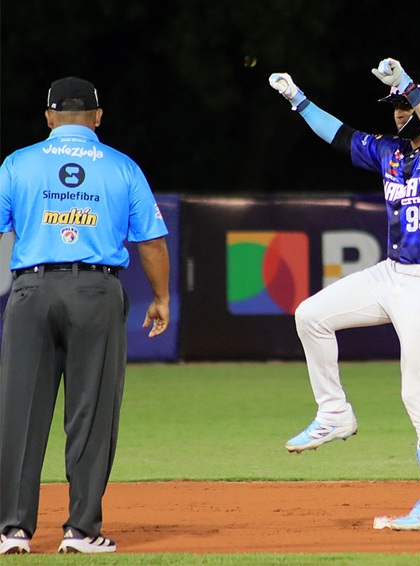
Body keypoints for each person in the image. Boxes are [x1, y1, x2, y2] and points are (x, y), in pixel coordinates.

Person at [269, 58, 420, 530]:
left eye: (407, 104)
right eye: (397, 106)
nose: (400, 113)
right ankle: (334, 413)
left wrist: (409, 85)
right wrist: (297, 100)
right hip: (393, 274)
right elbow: (340, 135)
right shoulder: (390, 151)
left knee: (418, 393)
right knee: (310, 315)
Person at [0, 77, 170, 554]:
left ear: (49, 116)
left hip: (31, 289)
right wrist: (161, 297)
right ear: (98, 116)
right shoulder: (123, 167)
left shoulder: (17, 163)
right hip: (96, 290)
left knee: (19, 412)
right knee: (90, 413)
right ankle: (80, 531)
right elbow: (152, 241)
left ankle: (11, 530)